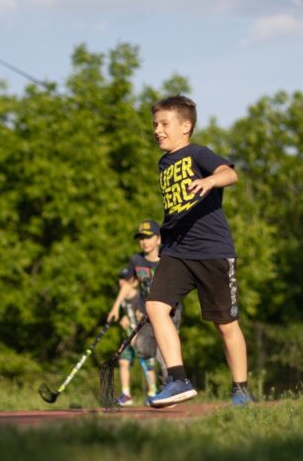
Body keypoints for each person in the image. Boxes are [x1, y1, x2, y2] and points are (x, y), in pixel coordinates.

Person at [145, 94, 251, 409]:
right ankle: (178, 379)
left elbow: (230, 174)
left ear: (185, 126)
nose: (157, 130)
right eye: (155, 125)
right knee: (155, 308)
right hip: (177, 252)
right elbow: (175, 210)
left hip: (212, 251)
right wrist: (165, 235)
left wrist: (209, 181)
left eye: (164, 124)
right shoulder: (163, 163)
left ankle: (241, 390)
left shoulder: (197, 153)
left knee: (225, 325)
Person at [107, 218, 180, 403]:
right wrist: (116, 307)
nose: (144, 241)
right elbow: (128, 284)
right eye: (141, 238)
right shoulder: (136, 260)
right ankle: (163, 384)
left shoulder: (168, 258)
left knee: (165, 353)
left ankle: (169, 388)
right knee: (142, 347)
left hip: (169, 311)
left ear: (159, 239)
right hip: (145, 313)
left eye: (148, 237)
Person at [111, 267, 158, 405]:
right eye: (121, 279)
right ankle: (126, 394)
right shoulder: (122, 299)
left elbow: (146, 316)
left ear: (134, 282)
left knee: (149, 365)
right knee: (123, 361)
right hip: (128, 335)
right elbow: (127, 315)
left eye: (126, 279)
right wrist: (124, 319)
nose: (122, 282)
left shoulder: (140, 296)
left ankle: (152, 393)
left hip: (142, 335)